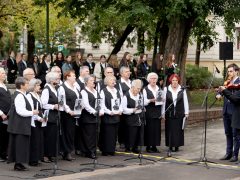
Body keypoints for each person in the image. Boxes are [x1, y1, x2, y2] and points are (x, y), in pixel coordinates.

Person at [7, 77, 39, 171]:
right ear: (21, 85)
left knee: (21, 144)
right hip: (19, 125)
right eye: (27, 83)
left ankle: (20, 163)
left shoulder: (23, 94)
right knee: (20, 144)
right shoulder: (19, 96)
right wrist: (32, 112)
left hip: (21, 124)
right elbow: (20, 111)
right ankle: (18, 164)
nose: (28, 85)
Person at [161, 74, 189, 152]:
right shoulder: (166, 89)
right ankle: (170, 145)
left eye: (176, 80)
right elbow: (164, 102)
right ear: (171, 81)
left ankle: (177, 146)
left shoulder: (182, 89)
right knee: (169, 130)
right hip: (169, 113)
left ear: (178, 81)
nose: (175, 82)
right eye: (173, 80)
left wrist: (186, 112)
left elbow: (185, 101)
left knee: (178, 130)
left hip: (179, 113)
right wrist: (163, 112)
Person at [218, 64, 240, 162]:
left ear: (236, 71)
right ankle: (228, 153)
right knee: (228, 133)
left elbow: (235, 99)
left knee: (235, 134)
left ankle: (235, 155)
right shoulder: (227, 82)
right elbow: (221, 92)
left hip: (235, 112)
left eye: (231, 71)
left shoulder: (239, 83)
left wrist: (225, 90)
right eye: (228, 71)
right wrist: (218, 94)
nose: (229, 73)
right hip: (226, 110)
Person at [58, 70, 81, 161]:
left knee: (72, 133)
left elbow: (78, 98)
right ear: (67, 77)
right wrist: (69, 110)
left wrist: (80, 105)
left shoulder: (75, 86)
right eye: (73, 76)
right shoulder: (62, 87)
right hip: (67, 114)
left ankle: (69, 150)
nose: (75, 77)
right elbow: (62, 101)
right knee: (67, 133)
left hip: (75, 113)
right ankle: (66, 152)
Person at [80, 75, 104, 159]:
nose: (93, 82)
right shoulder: (84, 92)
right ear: (86, 82)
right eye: (91, 80)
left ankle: (93, 150)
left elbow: (100, 102)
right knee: (89, 135)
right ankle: (89, 152)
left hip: (96, 117)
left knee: (95, 134)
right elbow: (86, 105)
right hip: (88, 117)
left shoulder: (96, 91)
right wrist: (94, 112)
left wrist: (101, 110)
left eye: (93, 80)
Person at [99, 75, 122, 156]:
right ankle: (105, 150)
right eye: (111, 80)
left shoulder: (117, 91)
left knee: (114, 134)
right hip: (108, 116)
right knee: (107, 134)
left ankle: (112, 150)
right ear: (107, 82)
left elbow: (121, 102)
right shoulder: (103, 91)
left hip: (116, 116)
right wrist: (109, 112)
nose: (113, 81)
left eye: (114, 80)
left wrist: (120, 110)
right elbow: (102, 105)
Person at [41, 72, 60, 162]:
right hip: (49, 116)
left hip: (55, 116)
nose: (58, 80)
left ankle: (51, 154)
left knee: (53, 136)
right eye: (56, 79)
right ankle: (45, 155)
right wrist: (53, 106)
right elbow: (43, 104)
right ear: (51, 80)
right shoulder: (46, 89)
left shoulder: (55, 89)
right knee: (48, 136)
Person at [26, 78, 45, 166]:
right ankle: (32, 159)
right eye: (38, 85)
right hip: (34, 120)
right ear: (33, 86)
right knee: (34, 140)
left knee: (39, 139)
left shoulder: (37, 95)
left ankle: (37, 158)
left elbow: (40, 108)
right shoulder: (29, 95)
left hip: (40, 120)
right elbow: (31, 109)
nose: (39, 87)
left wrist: (43, 117)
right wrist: (38, 118)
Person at [122, 79, 144, 153]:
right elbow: (123, 109)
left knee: (137, 132)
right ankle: (128, 147)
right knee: (130, 133)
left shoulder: (140, 94)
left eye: (139, 89)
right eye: (138, 89)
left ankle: (135, 147)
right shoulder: (126, 95)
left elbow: (141, 104)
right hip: (129, 117)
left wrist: (143, 108)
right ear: (133, 87)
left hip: (139, 117)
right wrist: (132, 110)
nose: (139, 90)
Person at [143, 72, 162, 153]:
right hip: (149, 111)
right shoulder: (145, 89)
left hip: (157, 111)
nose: (154, 80)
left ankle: (154, 146)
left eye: (155, 78)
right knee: (149, 129)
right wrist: (151, 100)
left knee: (156, 130)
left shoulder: (159, 88)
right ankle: (148, 146)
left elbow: (161, 99)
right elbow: (143, 102)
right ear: (149, 80)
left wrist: (162, 100)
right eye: (152, 78)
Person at [116, 66, 132, 148]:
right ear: (121, 73)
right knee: (122, 124)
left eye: (129, 71)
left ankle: (128, 140)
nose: (128, 73)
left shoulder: (131, 82)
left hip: (131, 107)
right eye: (126, 71)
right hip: (123, 107)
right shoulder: (118, 83)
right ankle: (121, 141)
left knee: (129, 125)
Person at [0, 68, 11, 161]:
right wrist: (1, 113)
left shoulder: (4, 85)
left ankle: (4, 153)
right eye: (2, 73)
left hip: (7, 115)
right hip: (1, 115)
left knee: (5, 135)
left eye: (4, 73)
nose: (4, 74)